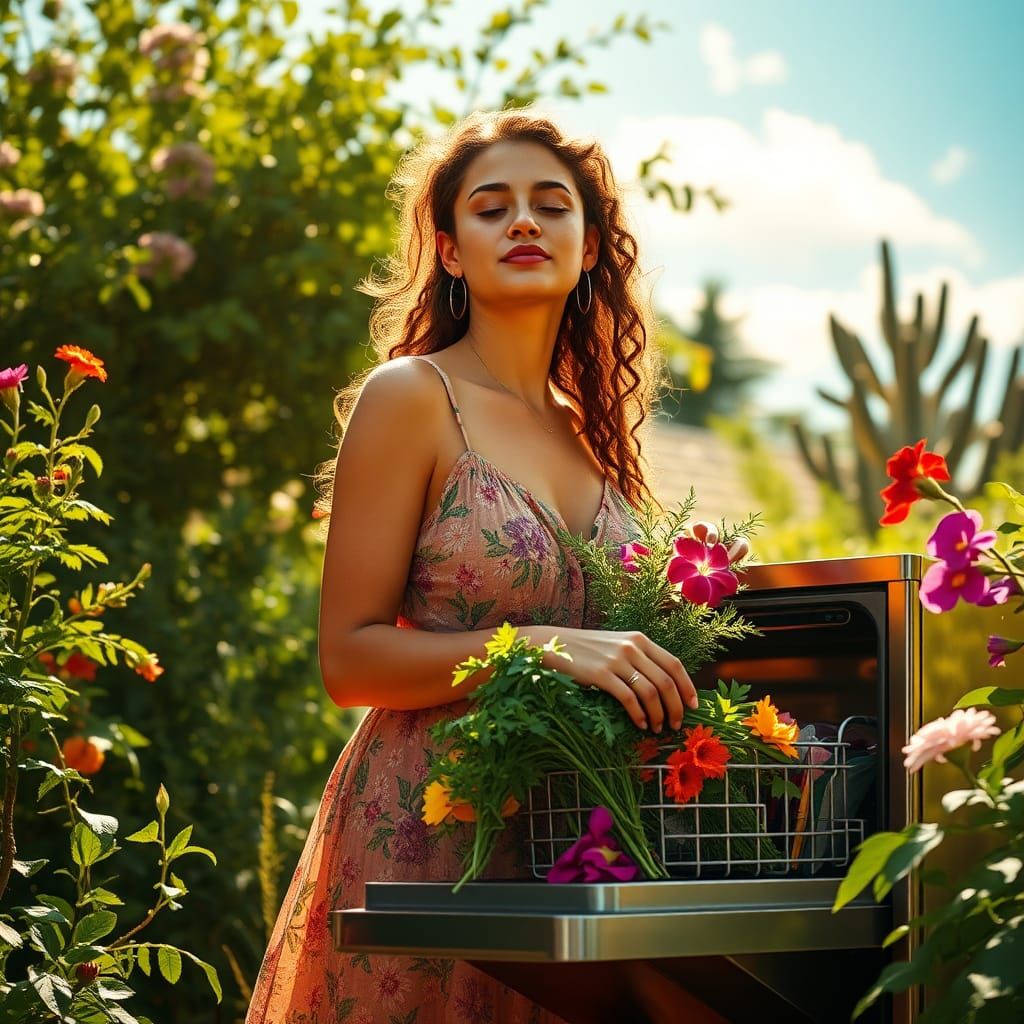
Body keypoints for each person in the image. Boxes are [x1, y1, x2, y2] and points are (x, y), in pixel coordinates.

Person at [245, 107, 707, 1024]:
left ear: (588, 244)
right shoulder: (413, 396)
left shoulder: (599, 437)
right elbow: (350, 659)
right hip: (432, 831)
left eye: (552, 205)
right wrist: (536, 645)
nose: (524, 221)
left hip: (577, 844)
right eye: (493, 208)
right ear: (451, 251)